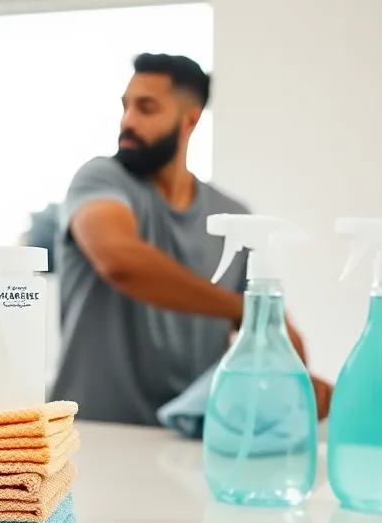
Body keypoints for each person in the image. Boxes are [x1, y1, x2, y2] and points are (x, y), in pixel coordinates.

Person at [50, 53, 332, 426]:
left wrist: (293, 380)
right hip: (90, 435)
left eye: (146, 108)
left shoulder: (233, 217)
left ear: (190, 120)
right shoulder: (100, 179)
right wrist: (240, 308)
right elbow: (120, 261)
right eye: (126, 106)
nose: (128, 121)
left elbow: (269, 324)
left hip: (183, 442)